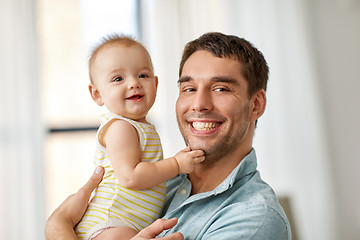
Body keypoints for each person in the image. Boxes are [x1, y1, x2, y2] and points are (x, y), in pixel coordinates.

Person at [45, 32, 292, 239]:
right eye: (189, 88)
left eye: (220, 88)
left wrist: (58, 228)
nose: (199, 104)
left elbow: (62, 225)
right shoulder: (164, 180)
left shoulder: (254, 218)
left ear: (256, 105)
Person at [73, 34, 205, 240]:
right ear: (97, 94)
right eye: (118, 79)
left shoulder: (139, 126)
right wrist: (176, 165)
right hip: (110, 224)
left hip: (127, 225)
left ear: (156, 83)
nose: (134, 83)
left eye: (143, 75)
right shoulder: (119, 127)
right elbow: (130, 176)